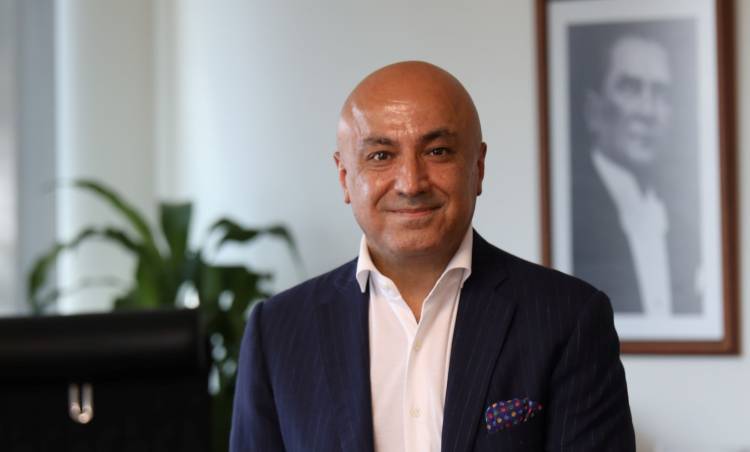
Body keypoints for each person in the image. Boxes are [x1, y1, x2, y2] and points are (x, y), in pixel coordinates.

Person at [230, 61, 635, 451]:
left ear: (478, 166)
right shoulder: (277, 332)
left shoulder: (569, 318)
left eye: (437, 151)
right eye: (381, 155)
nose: (411, 183)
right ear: (344, 177)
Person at [573, 32, 702, 315]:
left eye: (660, 93)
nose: (648, 111)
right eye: (630, 88)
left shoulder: (685, 225)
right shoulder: (574, 217)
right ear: (593, 110)